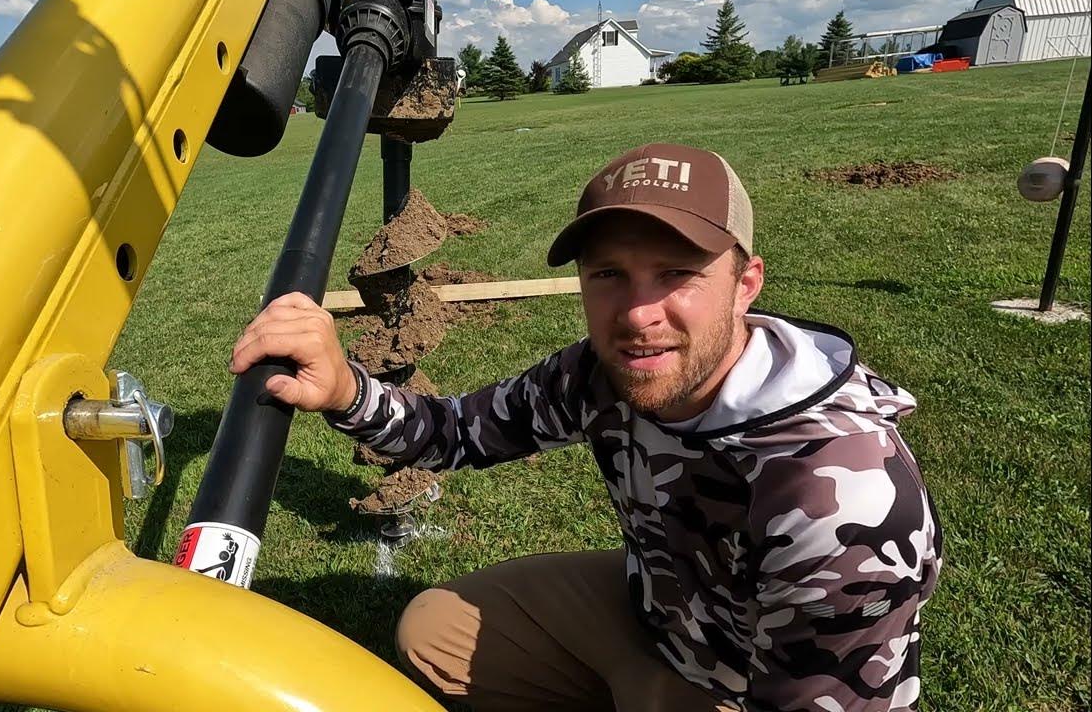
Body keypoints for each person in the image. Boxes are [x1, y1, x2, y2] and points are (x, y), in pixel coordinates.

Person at [229, 143, 943, 711]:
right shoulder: (601, 374)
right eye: (608, 275)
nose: (638, 315)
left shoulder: (838, 496)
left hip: (749, 680)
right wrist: (347, 388)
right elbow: (454, 433)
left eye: (676, 274)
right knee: (434, 633)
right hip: (666, 613)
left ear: (746, 284)